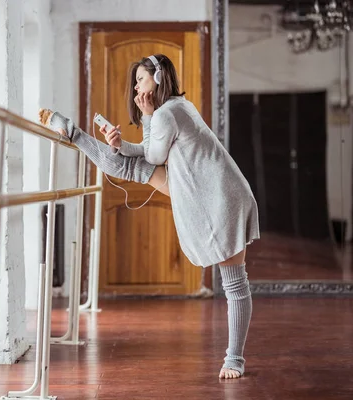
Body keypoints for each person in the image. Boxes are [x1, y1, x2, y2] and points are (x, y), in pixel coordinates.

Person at [38, 54, 259, 379]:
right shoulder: (173, 109)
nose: (137, 87)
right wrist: (119, 143)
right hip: (194, 187)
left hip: (221, 197)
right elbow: (150, 150)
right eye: (136, 82)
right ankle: (75, 134)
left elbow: (155, 153)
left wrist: (145, 116)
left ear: (158, 77)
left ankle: (234, 359)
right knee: (125, 164)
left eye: (141, 79)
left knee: (235, 284)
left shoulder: (168, 112)